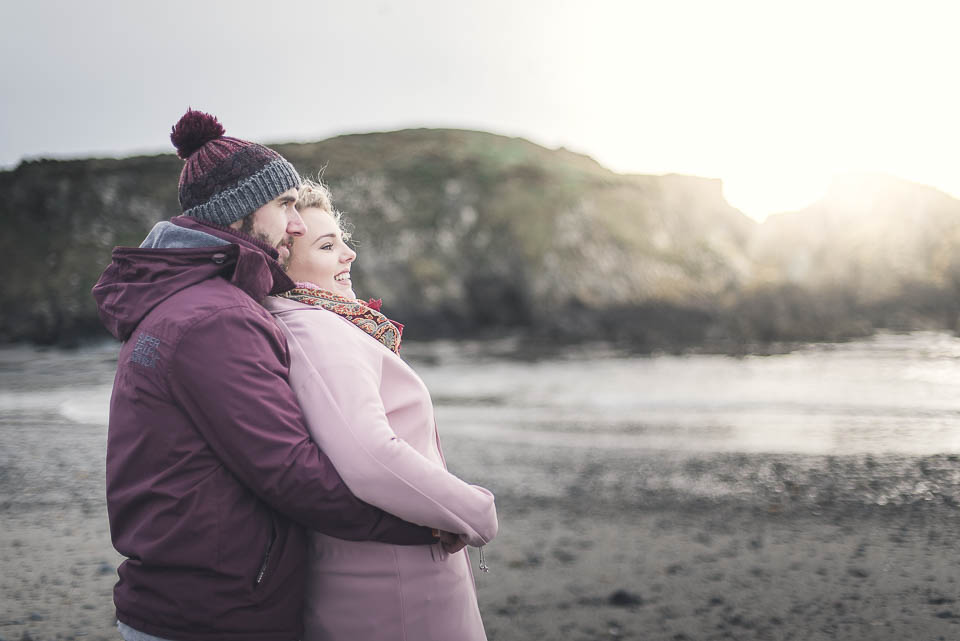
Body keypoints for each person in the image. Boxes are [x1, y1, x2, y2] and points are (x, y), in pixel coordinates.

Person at [91, 109, 436, 641]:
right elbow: (289, 471)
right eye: (284, 205)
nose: (297, 223)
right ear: (238, 213)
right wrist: (420, 523)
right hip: (216, 612)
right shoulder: (216, 318)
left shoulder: (186, 301)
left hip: (183, 595)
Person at [264, 179, 499, 641]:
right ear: (282, 264)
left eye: (343, 241)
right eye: (328, 245)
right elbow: (369, 453)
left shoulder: (316, 322)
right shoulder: (316, 330)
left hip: (386, 572)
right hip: (392, 590)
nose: (349, 254)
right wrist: (472, 511)